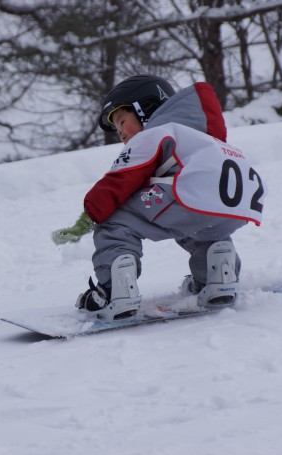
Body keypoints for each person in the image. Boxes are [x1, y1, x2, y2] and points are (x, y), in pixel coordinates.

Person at [75, 74, 266, 322]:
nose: (121, 134)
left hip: (188, 197)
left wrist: (93, 211)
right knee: (202, 225)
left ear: (145, 109)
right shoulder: (204, 137)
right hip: (237, 205)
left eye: (122, 122)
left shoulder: (156, 132)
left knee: (115, 220)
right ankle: (217, 278)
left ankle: (115, 293)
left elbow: (121, 179)